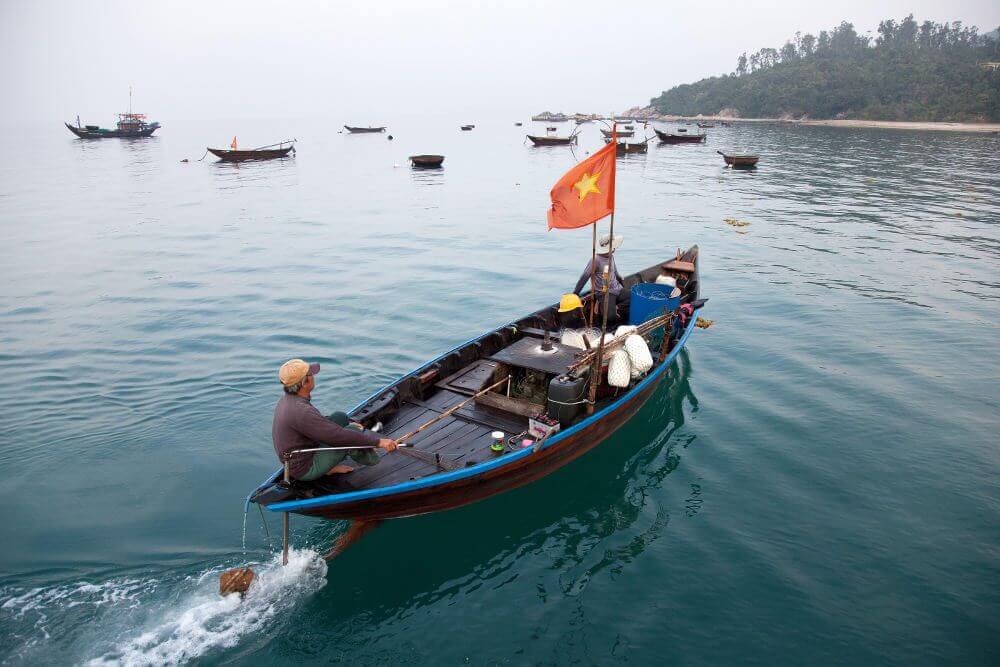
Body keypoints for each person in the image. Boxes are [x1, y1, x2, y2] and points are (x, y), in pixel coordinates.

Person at [272, 359, 397, 481]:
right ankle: (372, 457)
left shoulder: (288, 400)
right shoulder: (301, 411)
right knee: (353, 431)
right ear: (305, 382)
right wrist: (378, 442)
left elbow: (312, 424)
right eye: (311, 374)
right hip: (305, 468)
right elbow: (337, 436)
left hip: (300, 455)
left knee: (340, 417)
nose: (314, 376)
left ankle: (331, 465)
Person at [573, 234, 629, 324]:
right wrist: (575, 293)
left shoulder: (611, 257)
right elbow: (585, 276)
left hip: (617, 288)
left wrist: (623, 286)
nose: (614, 250)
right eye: (613, 248)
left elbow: (616, 273)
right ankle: (609, 309)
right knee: (610, 317)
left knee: (633, 297)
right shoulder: (596, 260)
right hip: (604, 292)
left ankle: (616, 308)